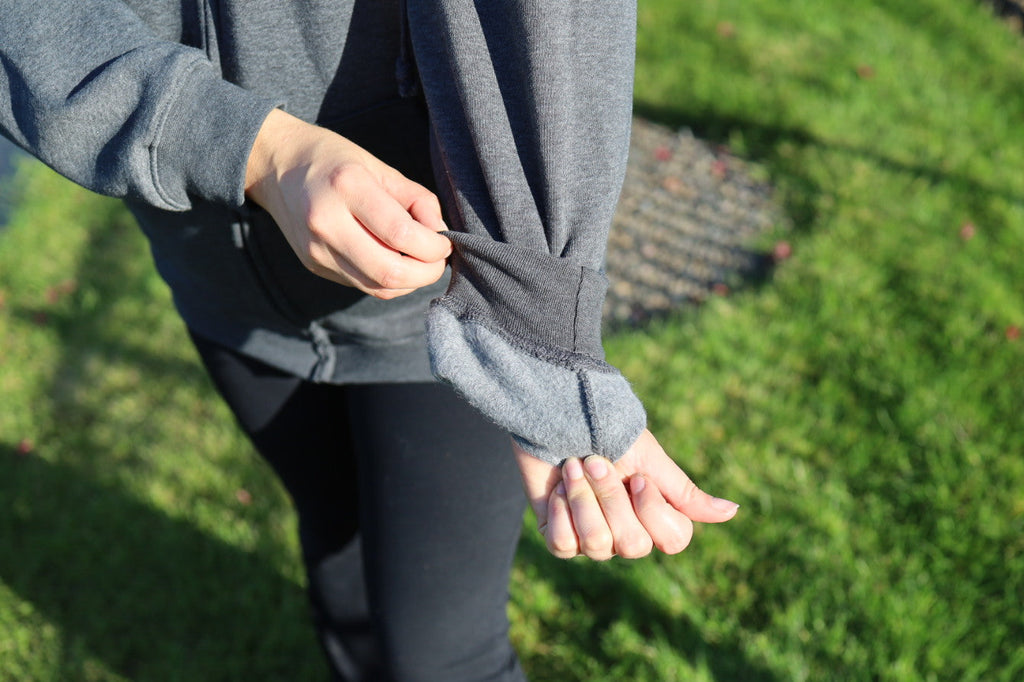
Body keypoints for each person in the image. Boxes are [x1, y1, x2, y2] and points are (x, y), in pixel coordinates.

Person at [0, 1, 739, 680]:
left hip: (449, 313)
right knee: (338, 558)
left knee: (443, 658)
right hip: (218, 273)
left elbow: (546, 28)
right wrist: (245, 147)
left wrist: (537, 335)